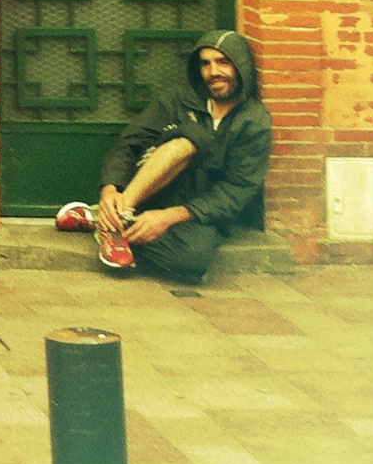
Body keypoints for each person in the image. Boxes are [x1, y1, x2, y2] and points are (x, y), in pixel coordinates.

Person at [53, 29, 270, 284]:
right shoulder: (179, 100)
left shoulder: (254, 121)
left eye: (223, 62)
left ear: (241, 66)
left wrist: (166, 218)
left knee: (191, 261)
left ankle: (105, 223)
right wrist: (110, 189)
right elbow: (131, 143)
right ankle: (119, 216)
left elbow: (237, 189)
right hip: (150, 191)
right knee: (189, 140)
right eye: (205, 64)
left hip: (195, 210)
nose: (213, 72)